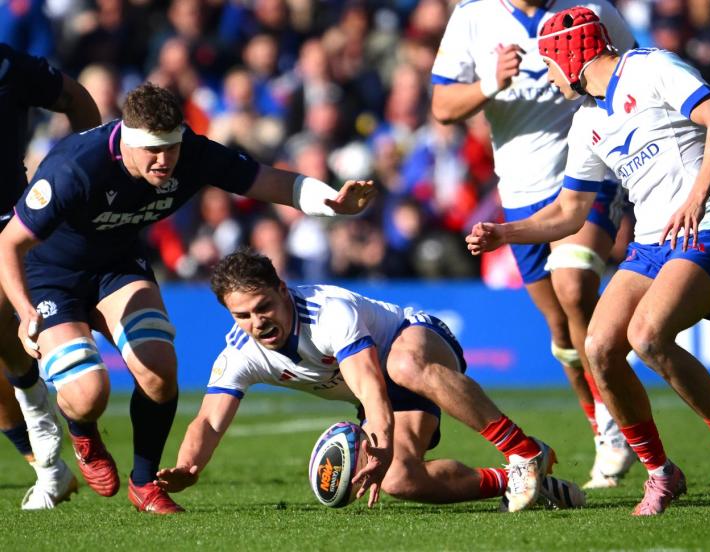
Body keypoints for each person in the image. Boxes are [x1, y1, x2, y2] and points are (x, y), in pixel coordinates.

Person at [0, 82, 375, 514]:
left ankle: (144, 484)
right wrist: (26, 311)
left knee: (160, 371)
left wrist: (331, 202)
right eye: (153, 150)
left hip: (118, 267)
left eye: (171, 147)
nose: (164, 161)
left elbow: (267, 180)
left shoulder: (192, 154)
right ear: (126, 140)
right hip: (51, 276)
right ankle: (83, 432)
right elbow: (9, 245)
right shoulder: (76, 168)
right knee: (89, 394)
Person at [466, 6, 710, 516]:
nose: (550, 77)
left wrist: (696, 198)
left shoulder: (652, 68)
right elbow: (569, 211)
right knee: (599, 347)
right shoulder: (586, 121)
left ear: (571, 57)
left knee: (647, 336)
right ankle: (661, 472)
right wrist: (505, 231)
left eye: (551, 64)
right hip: (652, 246)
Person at [154, 248, 572, 513]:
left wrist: (380, 446)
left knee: (402, 367)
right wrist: (191, 467)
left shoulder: (328, 312)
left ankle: (524, 451)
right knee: (399, 481)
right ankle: (521, 481)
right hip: (381, 386)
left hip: (413, 341)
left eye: (263, 307)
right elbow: (208, 421)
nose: (256, 322)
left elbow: (370, 387)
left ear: (282, 290)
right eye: (241, 315)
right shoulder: (241, 352)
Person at [430, 0, 637, 488]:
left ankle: (618, 425)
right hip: (520, 193)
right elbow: (441, 107)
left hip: (587, 177)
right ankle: (601, 427)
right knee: (561, 330)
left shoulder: (589, 8)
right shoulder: (472, 17)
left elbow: (633, 73)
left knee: (573, 286)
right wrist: (489, 84)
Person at [0, 43, 101, 509]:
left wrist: (80, 174)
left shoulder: (9, 63)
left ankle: (54, 450)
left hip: (8, 220)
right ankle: (47, 464)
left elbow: (78, 100)